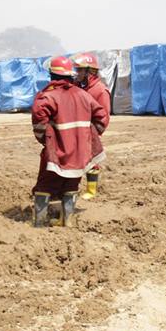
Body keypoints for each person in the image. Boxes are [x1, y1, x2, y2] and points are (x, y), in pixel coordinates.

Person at [31, 56, 109, 227]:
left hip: (57, 152)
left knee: (45, 185)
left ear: (52, 75)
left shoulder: (47, 97)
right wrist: (87, 138)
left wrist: (47, 141)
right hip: (80, 152)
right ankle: (67, 221)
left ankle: (39, 224)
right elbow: (102, 117)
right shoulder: (83, 95)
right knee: (71, 184)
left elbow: (39, 123)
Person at [71, 52, 111, 200]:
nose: (77, 73)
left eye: (80, 70)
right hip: (74, 130)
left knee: (91, 161)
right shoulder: (76, 87)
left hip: (89, 132)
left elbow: (103, 117)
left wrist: (93, 133)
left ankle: (91, 190)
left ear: (90, 71)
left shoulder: (100, 90)